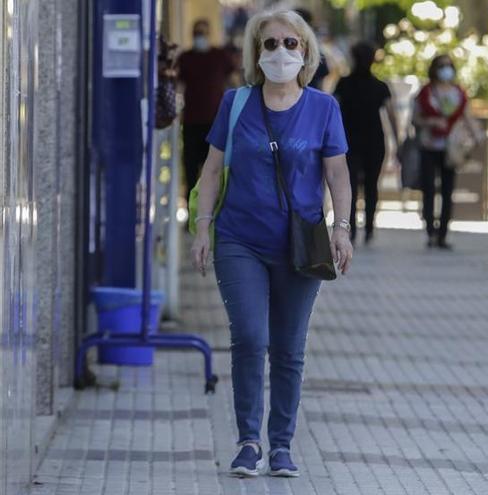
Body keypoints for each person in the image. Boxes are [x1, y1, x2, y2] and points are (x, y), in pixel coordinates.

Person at [189, 8, 353, 478]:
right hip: (241, 239)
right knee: (250, 337)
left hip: (301, 244)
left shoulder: (324, 107)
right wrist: (203, 226)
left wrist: (341, 228)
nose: (280, 52)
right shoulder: (235, 104)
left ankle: (280, 445)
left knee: (287, 348)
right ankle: (247, 441)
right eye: (270, 44)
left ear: (305, 52)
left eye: (290, 44)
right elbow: (213, 168)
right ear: (255, 52)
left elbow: (337, 173)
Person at [334, 41, 399, 246]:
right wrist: (398, 141)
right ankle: (369, 228)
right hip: (374, 141)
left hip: (348, 140)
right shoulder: (380, 86)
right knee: (372, 186)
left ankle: (350, 227)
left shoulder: (344, 84)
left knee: (350, 185)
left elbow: (332, 112)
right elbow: (392, 116)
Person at [175, 19, 237, 197]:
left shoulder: (220, 56)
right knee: (191, 170)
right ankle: (191, 214)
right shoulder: (185, 58)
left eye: (203, 33)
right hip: (191, 122)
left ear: (209, 34)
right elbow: (178, 86)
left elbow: (233, 82)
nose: (200, 37)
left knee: (216, 169)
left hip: (216, 123)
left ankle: (215, 209)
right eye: (197, 33)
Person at [412, 54, 468, 249]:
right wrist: (431, 122)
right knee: (428, 189)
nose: (446, 69)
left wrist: (474, 135)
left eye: (449, 66)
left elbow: (466, 116)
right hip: (429, 146)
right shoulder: (425, 93)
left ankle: (443, 233)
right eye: (442, 66)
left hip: (450, 148)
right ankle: (430, 231)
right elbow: (415, 118)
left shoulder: (458, 93)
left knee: (447, 190)